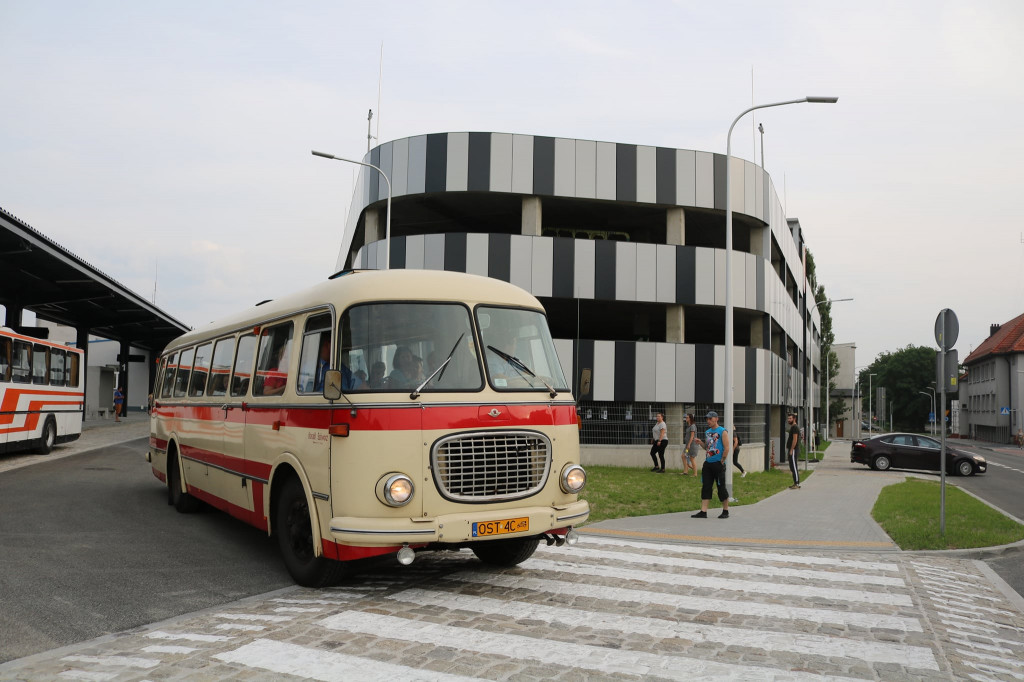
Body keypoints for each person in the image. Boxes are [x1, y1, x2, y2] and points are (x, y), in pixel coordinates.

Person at [691, 411, 729, 518]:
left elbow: (727, 448)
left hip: (718, 463)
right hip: (708, 463)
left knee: (721, 487)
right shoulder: (707, 432)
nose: (708, 421)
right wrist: (701, 443)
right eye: (707, 419)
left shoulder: (723, 431)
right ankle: (703, 512)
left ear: (716, 419)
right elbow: (707, 448)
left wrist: (723, 460)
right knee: (706, 487)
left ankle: (725, 511)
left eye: (710, 419)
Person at [787, 413, 801, 489]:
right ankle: (795, 482)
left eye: (790, 418)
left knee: (794, 466)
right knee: (792, 467)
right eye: (788, 418)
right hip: (791, 449)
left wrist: (792, 450)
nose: (788, 420)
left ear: (794, 419)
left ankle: (797, 483)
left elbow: (795, 439)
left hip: (794, 450)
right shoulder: (792, 427)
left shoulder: (795, 427)